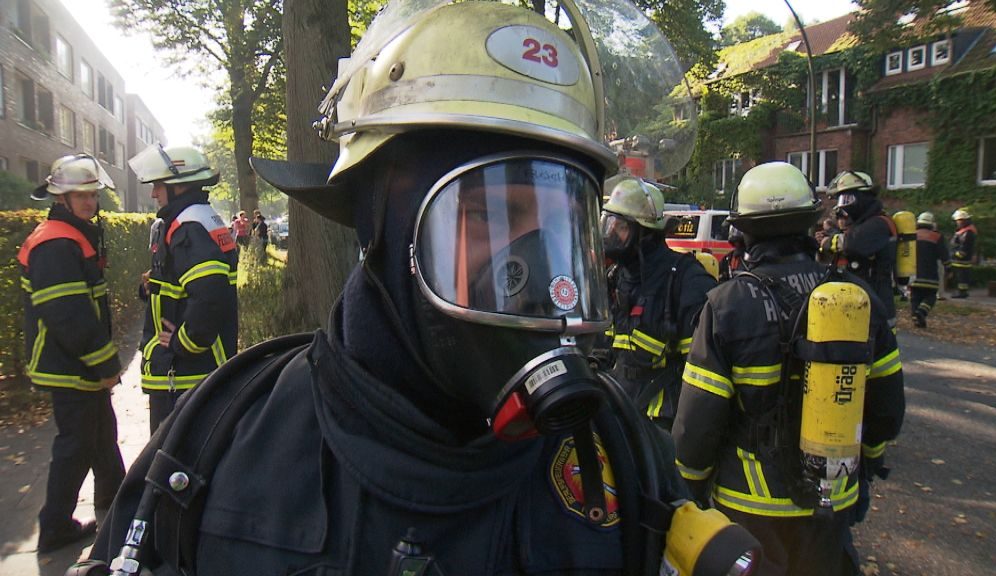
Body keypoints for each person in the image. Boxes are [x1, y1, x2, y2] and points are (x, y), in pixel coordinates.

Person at [80, 2, 763, 574]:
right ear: (382, 222)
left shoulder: (618, 454)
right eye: (490, 214)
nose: (531, 266)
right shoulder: (222, 441)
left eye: (559, 226)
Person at [673, 162, 905, 576]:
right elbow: (886, 407)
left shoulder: (726, 305)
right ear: (810, 223)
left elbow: (697, 423)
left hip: (749, 506)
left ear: (743, 232)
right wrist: (865, 461)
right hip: (831, 498)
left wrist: (687, 491)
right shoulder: (856, 298)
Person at [19, 154, 125, 553]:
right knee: (77, 444)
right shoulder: (56, 242)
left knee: (100, 438)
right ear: (60, 198)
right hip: (71, 365)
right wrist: (105, 364)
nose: (89, 202)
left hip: (76, 363)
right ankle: (55, 527)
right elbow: (69, 315)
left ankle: (115, 506)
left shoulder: (70, 234)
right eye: (79, 195)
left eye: (92, 194)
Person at [128, 144, 239, 433]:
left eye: (158, 185)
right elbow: (189, 284)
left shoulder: (189, 227)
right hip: (189, 370)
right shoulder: (199, 218)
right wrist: (153, 285)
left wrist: (184, 344)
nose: (154, 193)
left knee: (173, 463)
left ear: (178, 187)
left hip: (186, 373)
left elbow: (210, 296)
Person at [601, 177, 716, 430]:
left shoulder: (686, 280)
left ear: (644, 232)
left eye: (619, 227)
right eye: (608, 224)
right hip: (619, 410)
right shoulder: (616, 277)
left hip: (661, 422)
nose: (609, 235)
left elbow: (702, 377)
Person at [819, 170, 898, 326]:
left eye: (847, 199)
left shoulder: (878, 224)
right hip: (860, 304)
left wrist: (828, 242)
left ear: (863, 197)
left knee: (879, 349)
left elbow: (852, 245)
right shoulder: (862, 226)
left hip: (876, 309)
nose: (844, 206)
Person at [909, 212, 950, 328]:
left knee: (915, 296)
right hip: (930, 275)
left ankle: (915, 317)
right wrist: (949, 267)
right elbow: (944, 254)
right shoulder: (936, 236)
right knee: (931, 296)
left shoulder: (912, 235)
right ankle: (921, 312)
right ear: (932, 224)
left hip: (913, 274)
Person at [950, 208, 977, 299]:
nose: (957, 222)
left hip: (961, 261)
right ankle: (961, 292)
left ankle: (962, 293)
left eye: (958, 221)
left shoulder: (967, 233)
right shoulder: (963, 231)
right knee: (960, 277)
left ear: (964, 221)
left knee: (962, 278)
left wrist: (954, 255)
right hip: (959, 260)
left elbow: (964, 248)